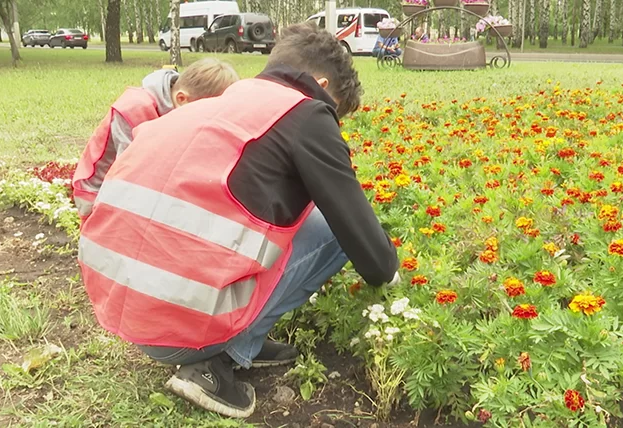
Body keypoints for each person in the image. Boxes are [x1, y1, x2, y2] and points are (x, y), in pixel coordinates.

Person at [77, 22, 400, 418]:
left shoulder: (222, 101)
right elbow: (372, 256)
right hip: (178, 332)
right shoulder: (307, 113)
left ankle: (236, 336)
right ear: (318, 85)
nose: (333, 122)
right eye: (335, 111)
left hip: (122, 308)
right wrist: (392, 273)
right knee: (332, 228)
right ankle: (219, 361)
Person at [72, 58, 239, 224]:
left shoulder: (178, 104)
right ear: (181, 99)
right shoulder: (134, 109)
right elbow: (129, 176)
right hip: (98, 194)